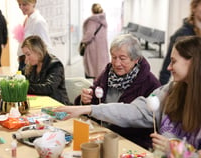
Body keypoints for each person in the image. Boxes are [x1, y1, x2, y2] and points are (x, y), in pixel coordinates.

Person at [54, 36, 201, 150]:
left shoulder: (152, 84)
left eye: (173, 61)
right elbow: (134, 111)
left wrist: (177, 151)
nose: (168, 68)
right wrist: (87, 107)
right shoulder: (170, 90)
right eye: (114, 57)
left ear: (193, 63)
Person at [75, 34, 161, 149]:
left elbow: (150, 122)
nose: (116, 63)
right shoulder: (107, 73)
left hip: (128, 143)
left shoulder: (151, 84)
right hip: (100, 135)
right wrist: (85, 99)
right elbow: (94, 99)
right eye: (114, 57)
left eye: (122, 58)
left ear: (135, 59)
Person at [159, 0, 201, 85]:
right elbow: (168, 65)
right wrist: (159, 91)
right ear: (194, 8)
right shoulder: (183, 34)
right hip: (189, 86)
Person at [21, 35, 70, 105]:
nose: (26, 59)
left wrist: (23, 87)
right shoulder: (32, 65)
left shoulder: (55, 64)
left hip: (57, 106)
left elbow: (49, 88)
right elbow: (21, 78)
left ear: (38, 51)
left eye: (28, 54)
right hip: (40, 104)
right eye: (25, 55)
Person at [16, 0, 52, 71]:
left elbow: (45, 46)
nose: (21, 7)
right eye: (19, 4)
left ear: (33, 3)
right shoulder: (28, 19)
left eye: (24, 4)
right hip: (24, 62)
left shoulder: (38, 21)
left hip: (31, 65)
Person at [81, 3, 109, 79]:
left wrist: (83, 41)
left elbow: (89, 34)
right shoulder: (103, 20)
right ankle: (100, 86)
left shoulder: (92, 21)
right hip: (102, 49)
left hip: (93, 48)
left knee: (94, 70)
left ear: (92, 10)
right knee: (100, 70)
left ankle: (96, 87)